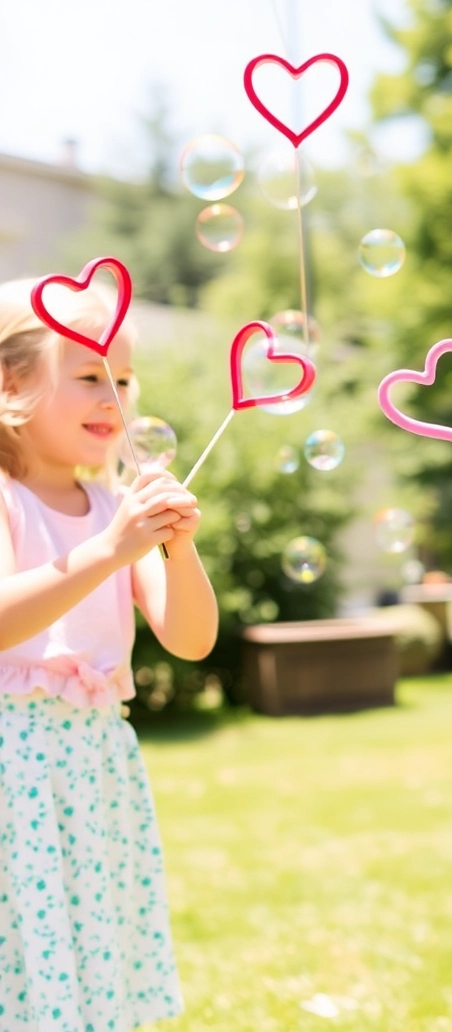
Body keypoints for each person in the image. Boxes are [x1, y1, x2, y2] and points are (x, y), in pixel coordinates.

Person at [0, 277, 219, 1031]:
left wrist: (176, 549)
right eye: (91, 376)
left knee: (92, 950)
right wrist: (110, 549)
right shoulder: (7, 496)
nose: (114, 397)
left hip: (94, 765)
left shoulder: (108, 509)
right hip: (14, 769)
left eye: (123, 380)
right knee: (25, 948)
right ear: (10, 384)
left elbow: (190, 638)